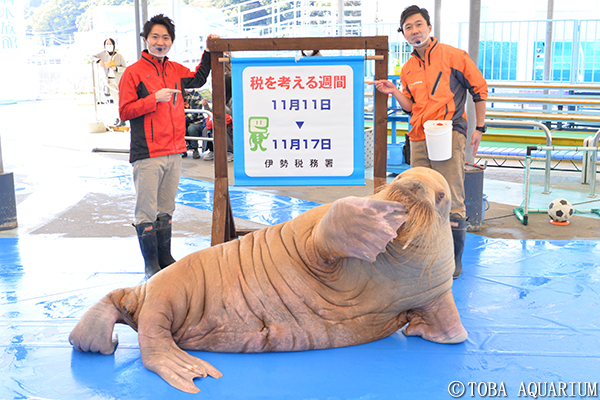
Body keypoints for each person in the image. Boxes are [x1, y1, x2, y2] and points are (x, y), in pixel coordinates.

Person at [370, 5, 488, 279]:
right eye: (408, 27)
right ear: (404, 33)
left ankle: (454, 261)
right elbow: (412, 107)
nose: (414, 31)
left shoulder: (454, 56)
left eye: (418, 24)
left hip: (449, 132)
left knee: (451, 194)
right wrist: (394, 91)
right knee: (419, 196)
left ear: (429, 27)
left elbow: (479, 89)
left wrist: (479, 127)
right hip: (419, 136)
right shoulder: (408, 69)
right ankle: (425, 254)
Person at [118, 14, 220, 278]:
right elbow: (125, 111)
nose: (160, 42)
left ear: (171, 42)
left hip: (174, 150)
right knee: (146, 210)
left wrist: (208, 52)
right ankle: (150, 264)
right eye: (155, 37)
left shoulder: (174, 70)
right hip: (148, 152)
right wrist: (153, 99)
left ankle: (165, 257)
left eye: (165, 38)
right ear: (145, 39)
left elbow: (198, 79)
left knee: (167, 207)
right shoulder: (133, 73)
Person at [92, 38, 127, 126]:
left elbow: (125, 67)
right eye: (107, 43)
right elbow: (91, 56)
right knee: (116, 101)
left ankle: (120, 118)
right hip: (109, 81)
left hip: (119, 80)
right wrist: (99, 60)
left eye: (110, 43)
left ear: (114, 45)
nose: (109, 45)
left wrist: (116, 68)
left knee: (120, 101)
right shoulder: (103, 54)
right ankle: (119, 118)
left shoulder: (119, 56)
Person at [183, 89, 211, 159]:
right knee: (178, 126)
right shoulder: (180, 96)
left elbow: (195, 113)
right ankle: (182, 149)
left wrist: (183, 118)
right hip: (183, 119)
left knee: (191, 128)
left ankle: (195, 149)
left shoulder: (197, 96)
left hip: (197, 122)